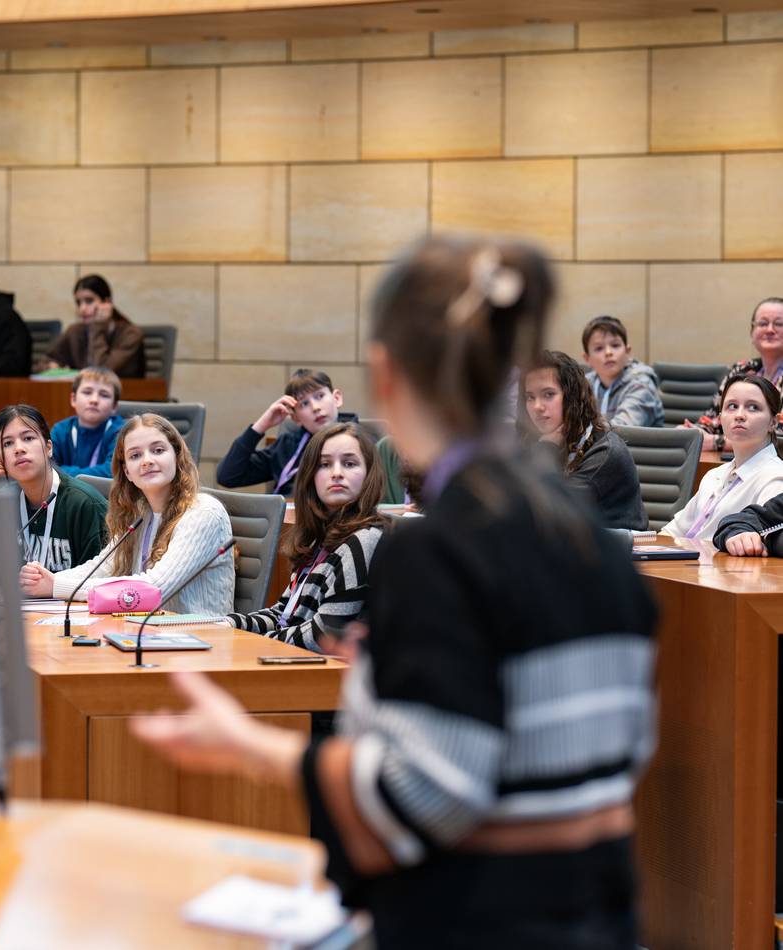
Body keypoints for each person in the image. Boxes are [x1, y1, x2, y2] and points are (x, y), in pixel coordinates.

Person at [129, 236, 657, 949]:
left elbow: (423, 797)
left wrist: (251, 747)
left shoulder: (436, 548)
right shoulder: (598, 536)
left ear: (386, 374)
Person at [19, 413, 234, 614]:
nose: (147, 460)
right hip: (149, 634)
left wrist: (55, 585)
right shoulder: (140, 513)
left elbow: (154, 588)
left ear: (177, 457)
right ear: (127, 471)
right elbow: (100, 568)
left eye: (158, 450)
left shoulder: (203, 512)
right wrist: (44, 582)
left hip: (202, 641)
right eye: (135, 455)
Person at [228, 422, 384, 654]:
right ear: (310, 476)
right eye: (325, 464)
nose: (337, 472)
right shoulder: (319, 539)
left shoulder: (364, 540)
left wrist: (254, 644)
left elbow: (326, 634)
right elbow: (284, 613)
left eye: (350, 463)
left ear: (369, 474)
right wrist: (232, 624)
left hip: (330, 677)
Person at [0, 405, 107, 571]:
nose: (19, 448)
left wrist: (53, 586)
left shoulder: (84, 504)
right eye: (8, 443)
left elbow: (99, 581)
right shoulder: (3, 504)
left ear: (48, 448)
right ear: (0, 459)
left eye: (28, 438)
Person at [522, 350, 648, 530]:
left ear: (571, 396)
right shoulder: (533, 441)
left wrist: (546, 448)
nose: (537, 407)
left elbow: (549, 513)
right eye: (530, 397)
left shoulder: (604, 452)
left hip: (619, 552)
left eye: (548, 394)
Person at [662, 374, 783, 543]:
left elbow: (766, 540)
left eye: (753, 407)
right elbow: (673, 531)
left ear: (774, 422)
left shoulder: (776, 478)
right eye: (732, 406)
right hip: (684, 562)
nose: (739, 415)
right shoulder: (714, 475)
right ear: (720, 418)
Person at [217, 368, 357, 497]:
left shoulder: (360, 442)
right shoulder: (287, 446)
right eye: (304, 404)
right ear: (296, 417)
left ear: (336, 398)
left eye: (319, 396)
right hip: (287, 520)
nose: (315, 407)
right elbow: (228, 476)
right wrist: (260, 426)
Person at [681, 296, 783, 451]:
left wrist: (718, 442)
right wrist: (695, 433)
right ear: (752, 333)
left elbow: (779, 436)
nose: (769, 330)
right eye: (762, 323)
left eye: (779, 324)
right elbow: (714, 417)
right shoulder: (742, 369)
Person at [42, 275, 145, 378]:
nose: (82, 308)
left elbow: (101, 372)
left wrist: (98, 327)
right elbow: (44, 361)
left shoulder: (131, 334)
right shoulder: (75, 331)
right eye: (78, 303)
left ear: (107, 302)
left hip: (123, 392)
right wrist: (51, 366)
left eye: (89, 301)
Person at [581, 315, 664, 428]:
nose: (608, 352)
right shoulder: (583, 384)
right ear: (587, 358)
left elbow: (622, 430)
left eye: (615, 345)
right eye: (599, 348)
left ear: (627, 352)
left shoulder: (642, 385)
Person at [49, 367, 125, 479]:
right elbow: (46, 467)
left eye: (104, 395)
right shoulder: (60, 430)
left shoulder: (121, 432)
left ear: (114, 406)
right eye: (87, 392)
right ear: (73, 399)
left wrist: (64, 472)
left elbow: (112, 471)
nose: (94, 400)